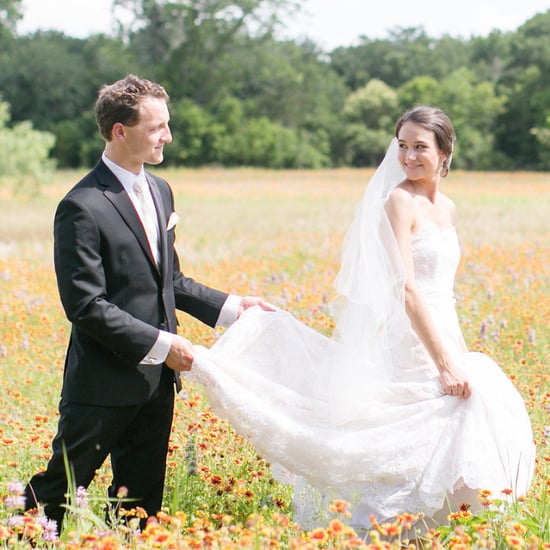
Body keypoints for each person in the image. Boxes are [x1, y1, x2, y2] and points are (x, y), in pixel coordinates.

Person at [188, 106, 536, 532]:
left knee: (455, 427)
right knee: (414, 431)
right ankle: (384, 529)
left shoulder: (448, 208)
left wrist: (453, 349)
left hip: (446, 327)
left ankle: (445, 531)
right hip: (410, 338)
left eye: (420, 147)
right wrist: (443, 363)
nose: (408, 157)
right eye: (402, 146)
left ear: (445, 152)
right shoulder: (398, 201)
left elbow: (441, 288)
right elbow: (404, 287)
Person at [23, 74, 272, 532]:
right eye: (156, 127)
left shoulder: (160, 190)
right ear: (120, 130)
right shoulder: (80, 206)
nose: (168, 136)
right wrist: (164, 344)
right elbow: (85, 305)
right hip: (100, 385)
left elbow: (169, 280)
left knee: (139, 508)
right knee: (55, 495)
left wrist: (235, 308)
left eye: (166, 124)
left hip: (157, 385)